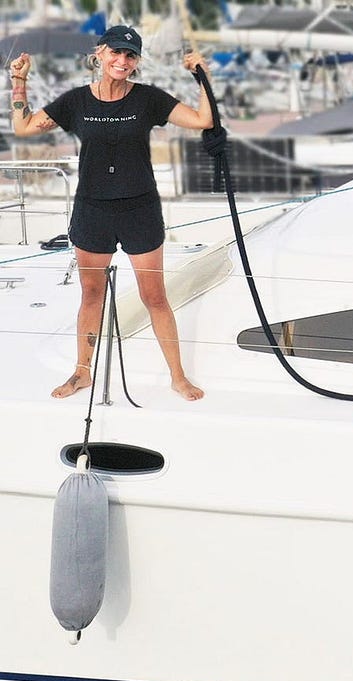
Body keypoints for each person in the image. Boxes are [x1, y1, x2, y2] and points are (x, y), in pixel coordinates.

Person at [9, 25, 214, 401]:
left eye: (130, 55)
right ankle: (81, 372)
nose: (122, 61)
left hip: (140, 209)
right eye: (116, 53)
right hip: (93, 210)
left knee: (155, 296)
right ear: (99, 54)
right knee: (91, 295)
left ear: (136, 63)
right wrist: (19, 82)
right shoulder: (75, 103)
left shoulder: (148, 99)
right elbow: (22, 128)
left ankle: (178, 376)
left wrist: (203, 77)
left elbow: (204, 120)